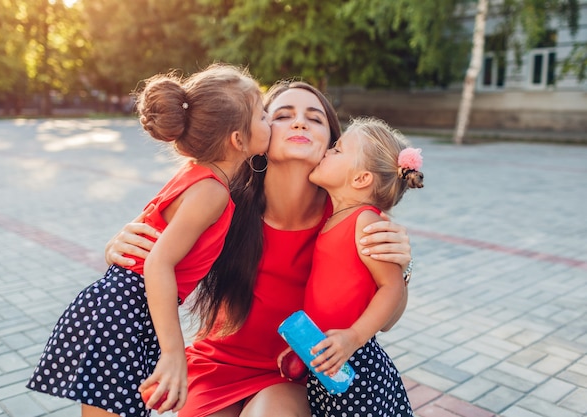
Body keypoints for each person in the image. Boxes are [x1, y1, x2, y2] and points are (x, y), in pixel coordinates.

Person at [105, 81, 413, 417]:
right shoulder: (219, 197)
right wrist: (118, 247)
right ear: (257, 135)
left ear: (331, 145)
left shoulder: (352, 220)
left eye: (315, 118)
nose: (299, 123)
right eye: (282, 115)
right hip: (216, 365)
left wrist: (402, 268)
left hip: (293, 373)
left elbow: (386, 321)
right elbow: (152, 247)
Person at [26, 63, 271, 417]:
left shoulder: (197, 174)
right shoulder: (211, 191)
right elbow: (158, 262)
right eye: (263, 114)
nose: (270, 121)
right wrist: (174, 352)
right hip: (127, 310)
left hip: (126, 306)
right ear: (238, 139)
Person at [292, 117, 423, 416]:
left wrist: (354, 337)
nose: (326, 151)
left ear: (361, 179)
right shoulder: (334, 219)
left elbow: (390, 287)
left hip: (358, 362)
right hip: (330, 354)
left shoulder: (365, 221)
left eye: (337, 150)